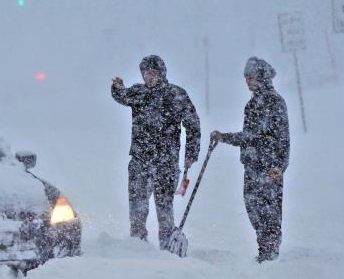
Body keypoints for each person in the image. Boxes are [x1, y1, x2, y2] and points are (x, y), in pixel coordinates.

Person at [112, 55, 200, 248]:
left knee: (164, 206)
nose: (149, 77)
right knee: (137, 205)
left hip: (166, 162)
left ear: (162, 73)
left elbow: (193, 124)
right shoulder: (138, 93)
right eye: (145, 73)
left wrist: (192, 152)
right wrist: (117, 88)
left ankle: (166, 245)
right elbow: (122, 96)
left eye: (153, 73)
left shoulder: (176, 94)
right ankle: (137, 244)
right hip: (139, 160)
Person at [212, 57, 289, 263]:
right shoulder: (252, 104)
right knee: (253, 208)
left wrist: (280, 166)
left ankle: (270, 252)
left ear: (262, 78)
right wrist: (224, 137)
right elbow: (249, 136)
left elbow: (283, 138)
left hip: (269, 167)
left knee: (269, 211)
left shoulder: (275, 103)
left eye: (251, 77)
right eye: (246, 78)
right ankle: (264, 248)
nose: (248, 81)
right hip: (252, 166)